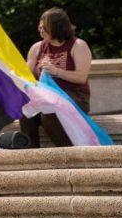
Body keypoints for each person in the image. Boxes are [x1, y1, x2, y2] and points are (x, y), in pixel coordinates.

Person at [20, 8, 93, 148]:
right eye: (40, 27)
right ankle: (29, 155)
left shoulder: (78, 45)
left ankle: (68, 153)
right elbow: (26, 74)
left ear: (57, 27)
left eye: (44, 27)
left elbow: (81, 77)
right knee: (25, 111)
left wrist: (56, 71)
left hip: (74, 95)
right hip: (46, 95)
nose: (40, 30)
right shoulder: (37, 48)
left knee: (49, 112)